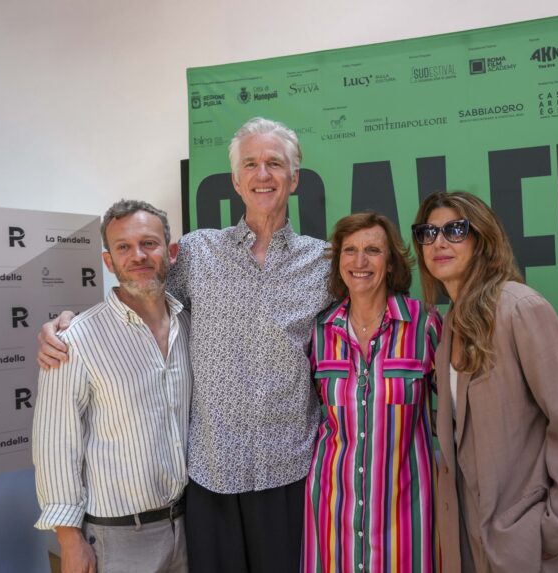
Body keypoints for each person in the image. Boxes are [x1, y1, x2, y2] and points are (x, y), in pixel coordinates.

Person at [37, 117, 332, 572]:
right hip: (210, 480)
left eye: (275, 163)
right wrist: (68, 323)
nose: (263, 174)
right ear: (235, 180)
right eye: (251, 164)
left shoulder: (325, 263)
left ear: (295, 178)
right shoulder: (197, 252)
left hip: (289, 472)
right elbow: (139, 295)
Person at [411, 191, 558, 573]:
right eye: (428, 232)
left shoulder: (521, 308)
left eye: (455, 230)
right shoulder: (450, 325)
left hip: (528, 544)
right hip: (469, 538)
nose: (438, 242)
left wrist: (554, 532)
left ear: (482, 239)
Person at [32, 200, 191, 573]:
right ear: (109, 261)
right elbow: (56, 445)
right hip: (117, 538)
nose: (137, 255)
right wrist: (68, 539)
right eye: (123, 247)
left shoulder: (189, 327)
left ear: (170, 252)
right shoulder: (75, 340)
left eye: (149, 243)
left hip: (188, 525)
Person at [302, 212, 442, 573]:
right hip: (333, 516)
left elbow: (464, 412)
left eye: (373, 250)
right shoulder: (319, 332)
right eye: (349, 250)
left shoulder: (424, 324)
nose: (359, 262)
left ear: (392, 261)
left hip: (406, 516)